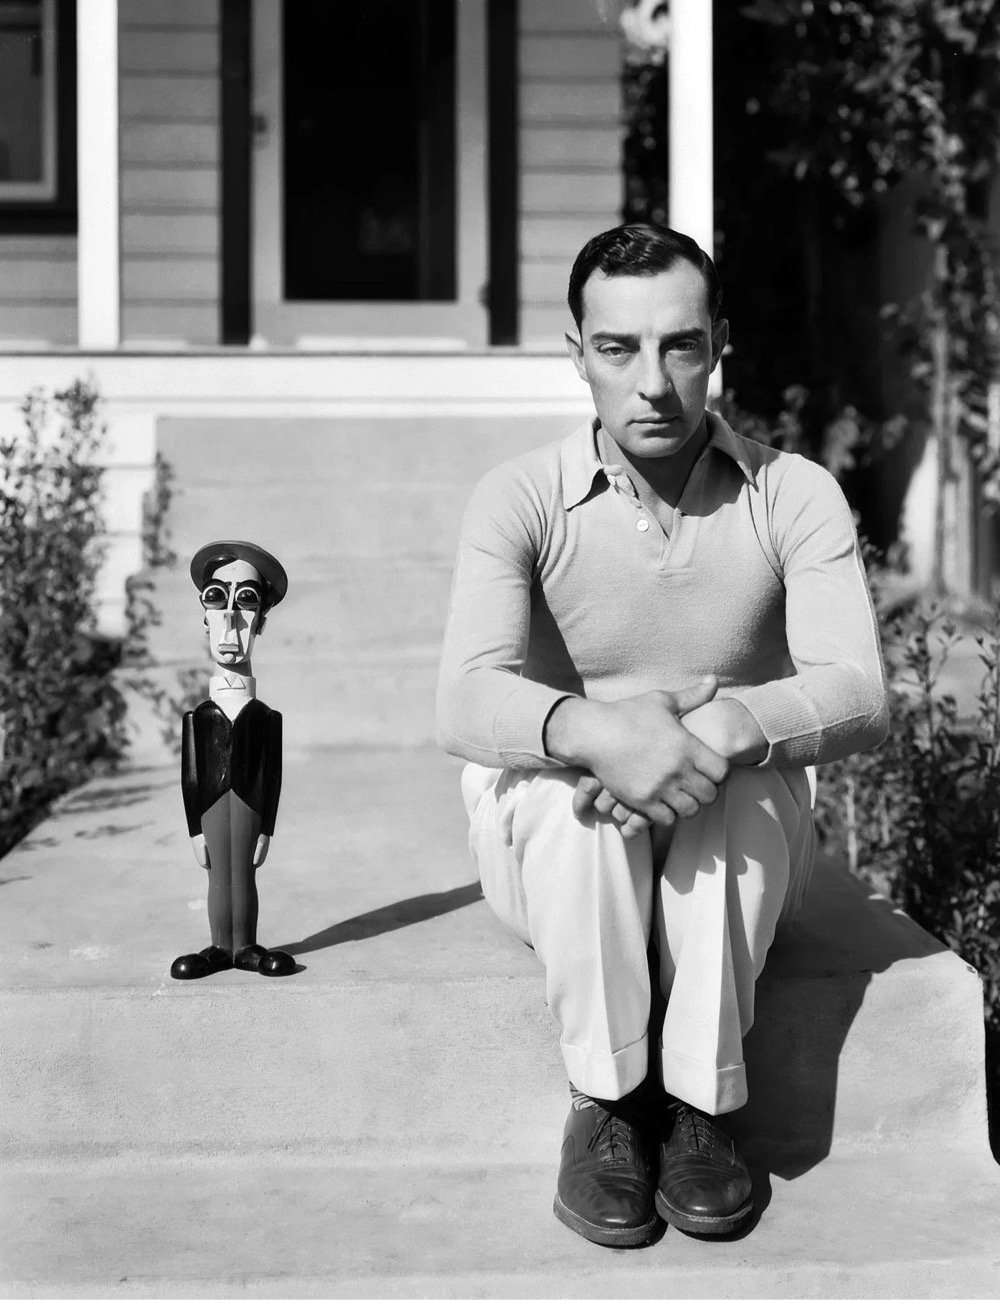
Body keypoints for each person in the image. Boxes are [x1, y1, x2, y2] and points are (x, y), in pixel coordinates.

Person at [436, 224, 888, 1247]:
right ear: (575, 353)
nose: (652, 382)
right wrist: (593, 732)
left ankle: (702, 1106)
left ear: (719, 343)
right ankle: (607, 1102)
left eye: (680, 346)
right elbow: (462, 701)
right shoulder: (518, 497)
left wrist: (719, 726)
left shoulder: (792, 493)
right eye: (617, 348)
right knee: (563, 795)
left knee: (738, 780)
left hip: (730, 835)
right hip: (559, 845)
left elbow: (858, 690)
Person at [171, 540, 295, 981]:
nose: (230, 619)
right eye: (216, 598)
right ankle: (220, 945)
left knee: (243, 873)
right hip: (210, 805)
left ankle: (244, 945)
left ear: (260, 621)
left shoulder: (266, 717)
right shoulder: (199, 717)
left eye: (246, 600)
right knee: (216, 875)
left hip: (248, 803)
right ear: (205, 619)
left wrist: (267, 828)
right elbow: (190, 777)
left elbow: (274, 776)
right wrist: (192, 831)